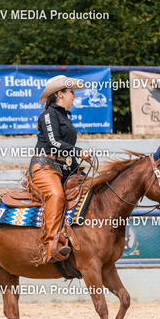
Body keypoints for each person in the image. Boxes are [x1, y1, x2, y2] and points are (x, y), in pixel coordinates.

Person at [29, 75, 92, 264]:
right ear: (60, 94)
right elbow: (54, 142)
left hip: (63, 168)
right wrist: (79, 152)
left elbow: (64, 151)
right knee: (56, 196)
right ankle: (51, 246)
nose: (75, 95)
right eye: (71, 91)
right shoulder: (49, 115)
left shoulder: (64, 116)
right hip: (44, 167)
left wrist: (77, 169)